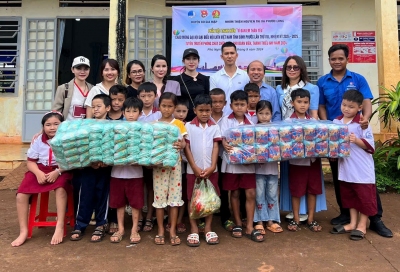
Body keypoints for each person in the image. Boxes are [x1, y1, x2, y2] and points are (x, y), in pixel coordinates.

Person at [318, 44, 392, 237]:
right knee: (341, 178)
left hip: (357, 136)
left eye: (340, 58)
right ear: (329, 60)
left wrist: (365, 119)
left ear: (347, 59)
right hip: (337, 134)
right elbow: (322, 106)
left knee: (364, 182)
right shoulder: (323, 81)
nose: (336, 61)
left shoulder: (358, 79)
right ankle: (346, 215)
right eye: (333, 58)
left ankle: (375, 219)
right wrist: (329, 128)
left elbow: (366, 101)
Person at [277, 55, 326, 223]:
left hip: (307, 140)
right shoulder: (279, 89)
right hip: (288, 139)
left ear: (302, 69)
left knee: (309, 180)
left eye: (295, 67)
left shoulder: (311, 88)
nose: (291, 70)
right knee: (293, 179)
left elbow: (313, 114)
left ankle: (307, 213)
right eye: (288, 67)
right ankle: (294, 212)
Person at [11, 111, 71, 247]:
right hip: (40, 169)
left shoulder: (68, 139)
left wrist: (58, 171)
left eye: (56, 124)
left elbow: (72, 161)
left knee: (61, 189)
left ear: (63, 125)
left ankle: (59, 225)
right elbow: (31, 161)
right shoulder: (38, 140)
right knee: (21, 195)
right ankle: (23, 231)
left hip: (62, 169)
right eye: (48, 124)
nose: (52, 127)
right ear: (43, 127)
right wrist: (38, 173)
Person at [330, 90, 377, 240]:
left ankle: (362, 225)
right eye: (344, 105)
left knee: (364, 197)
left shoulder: (363, 124)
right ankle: (352, 223)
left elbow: (371, 147)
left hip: (362, 169)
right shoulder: (336, 122)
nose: (346, 109)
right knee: (350, 196)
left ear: (359, 107)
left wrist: (356, 140)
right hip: (346, 168)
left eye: (351, 106)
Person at [220, 90, 264, 242]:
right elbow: (223, 139)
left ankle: (250, 225)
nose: (239, 107)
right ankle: (238, 222)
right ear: (231, 105)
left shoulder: (251, 122)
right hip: (231, 164)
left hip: (247, 164)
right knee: (235, 193)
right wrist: (225, 144)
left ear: (247, 105)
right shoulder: (225, 120)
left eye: (242, 104)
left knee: (250, 193)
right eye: (236, 104)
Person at [70, 94, 112, 242]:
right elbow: (81, 146)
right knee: (85, 195)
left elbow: (113, 147)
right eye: (93, 107)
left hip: (106, 167)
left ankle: (101, 224)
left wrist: (106, 162)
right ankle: (80, 224)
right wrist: (90, 162)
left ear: (108, 108)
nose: (95, 109)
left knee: (103, 195)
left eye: (98, 106)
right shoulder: (86, 125)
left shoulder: (112, 126)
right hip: (88, 167)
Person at [185, 94, 222, 246]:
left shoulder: (215, 127)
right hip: (192, 170)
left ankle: (207, 228)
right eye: (201, 110)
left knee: (210, 199)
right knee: (192, 199)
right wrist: (194, 166)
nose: (205, 113)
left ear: (211, 110)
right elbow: (186, 147)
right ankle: (194, 228)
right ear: (195, 110)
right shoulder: (188, 126)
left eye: (207, 110)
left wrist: (212, 167)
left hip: (210, 170)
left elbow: (215, 147)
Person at [109, 97, 144, 244]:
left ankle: (135, 228)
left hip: (136, 173)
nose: (131, 114)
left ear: (140, 113)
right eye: (128, 111)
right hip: (117, 172)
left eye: (134, 111)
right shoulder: (116, 128)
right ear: (123, 112)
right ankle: (121, 228)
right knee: (119, 202)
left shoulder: (144, 130)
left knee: (136, 202)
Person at [153, 92, 186, 246]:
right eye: (164, 106)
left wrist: (182, 145)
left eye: (170, 106)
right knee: (159, 199)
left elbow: (184, 143)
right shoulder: (154, 124)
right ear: (159, 106)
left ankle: (171, 230)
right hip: (159, 167)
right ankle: (160, 230)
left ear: (174, 107)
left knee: (174, 199)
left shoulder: (178, 124)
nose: (166, 109)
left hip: (175, 166)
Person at [286, 89, 322, 232]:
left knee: (312, 190)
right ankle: (296, 219)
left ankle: (311, 219)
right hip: (296, 162)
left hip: (313, 161)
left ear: (309, 104)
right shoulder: (287, 122)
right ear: (292, 103)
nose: (302, 105)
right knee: (297, 191)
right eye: (299, 102)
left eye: (305, 102)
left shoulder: (314, 122)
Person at [253, 100, 283, 235]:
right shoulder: (252, 129)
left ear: (272, 114)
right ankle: (259, 221)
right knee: (259, 195)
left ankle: (271, 220)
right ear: (256, 114)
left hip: (272, 169)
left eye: (267, 113)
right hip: (258, 170)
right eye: (261, 113)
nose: (264, 116)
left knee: (272, 195)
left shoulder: (276, 130)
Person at [209, 88, 234, 233]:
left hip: (223, 158)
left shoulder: (228, 118)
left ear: (225, 103)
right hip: (207, 159)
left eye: (220, 102)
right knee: (208, 187)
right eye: (214, 101)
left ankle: (226, 217)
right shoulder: (204, 116)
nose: (217, 104)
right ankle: (204, 217)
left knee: (223, 189)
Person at [137, 82, 161, 232]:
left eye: (150, 95)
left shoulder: (160, 113)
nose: (146, 99)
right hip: (138, 158)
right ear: (138, 96)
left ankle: (149, 217)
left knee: (152, 187)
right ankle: (139, 216)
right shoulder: (134, 113)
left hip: (154, 158)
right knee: (139, 187)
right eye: (143, 96)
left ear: (155, 96)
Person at [165, 97, 190, 234]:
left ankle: (179, 220)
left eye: (183, 111)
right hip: (167, 164)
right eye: (178, 111)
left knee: (179, 195)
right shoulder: (167, 123)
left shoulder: (185, 125)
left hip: (181, 165)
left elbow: (185, 144)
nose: (181, 114)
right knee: (168, 193)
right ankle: (170, 220)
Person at [172, 48, 210, 121]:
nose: (191, 62)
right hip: (182, 118)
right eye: (188, 59)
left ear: (198, 61)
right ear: (183, 61)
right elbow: (174, 101)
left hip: (200, 118)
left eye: (194, 59)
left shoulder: (205, 79)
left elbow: (207, 99)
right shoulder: (176, 80)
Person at [210, 42, 249, 111]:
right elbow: (212, 100)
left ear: (236, 55)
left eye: (232, 53)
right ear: (222, 56)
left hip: (240, 117)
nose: (229, 56)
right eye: (226, 53)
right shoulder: (214, 77)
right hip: (221, 118)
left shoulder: (245, 76)